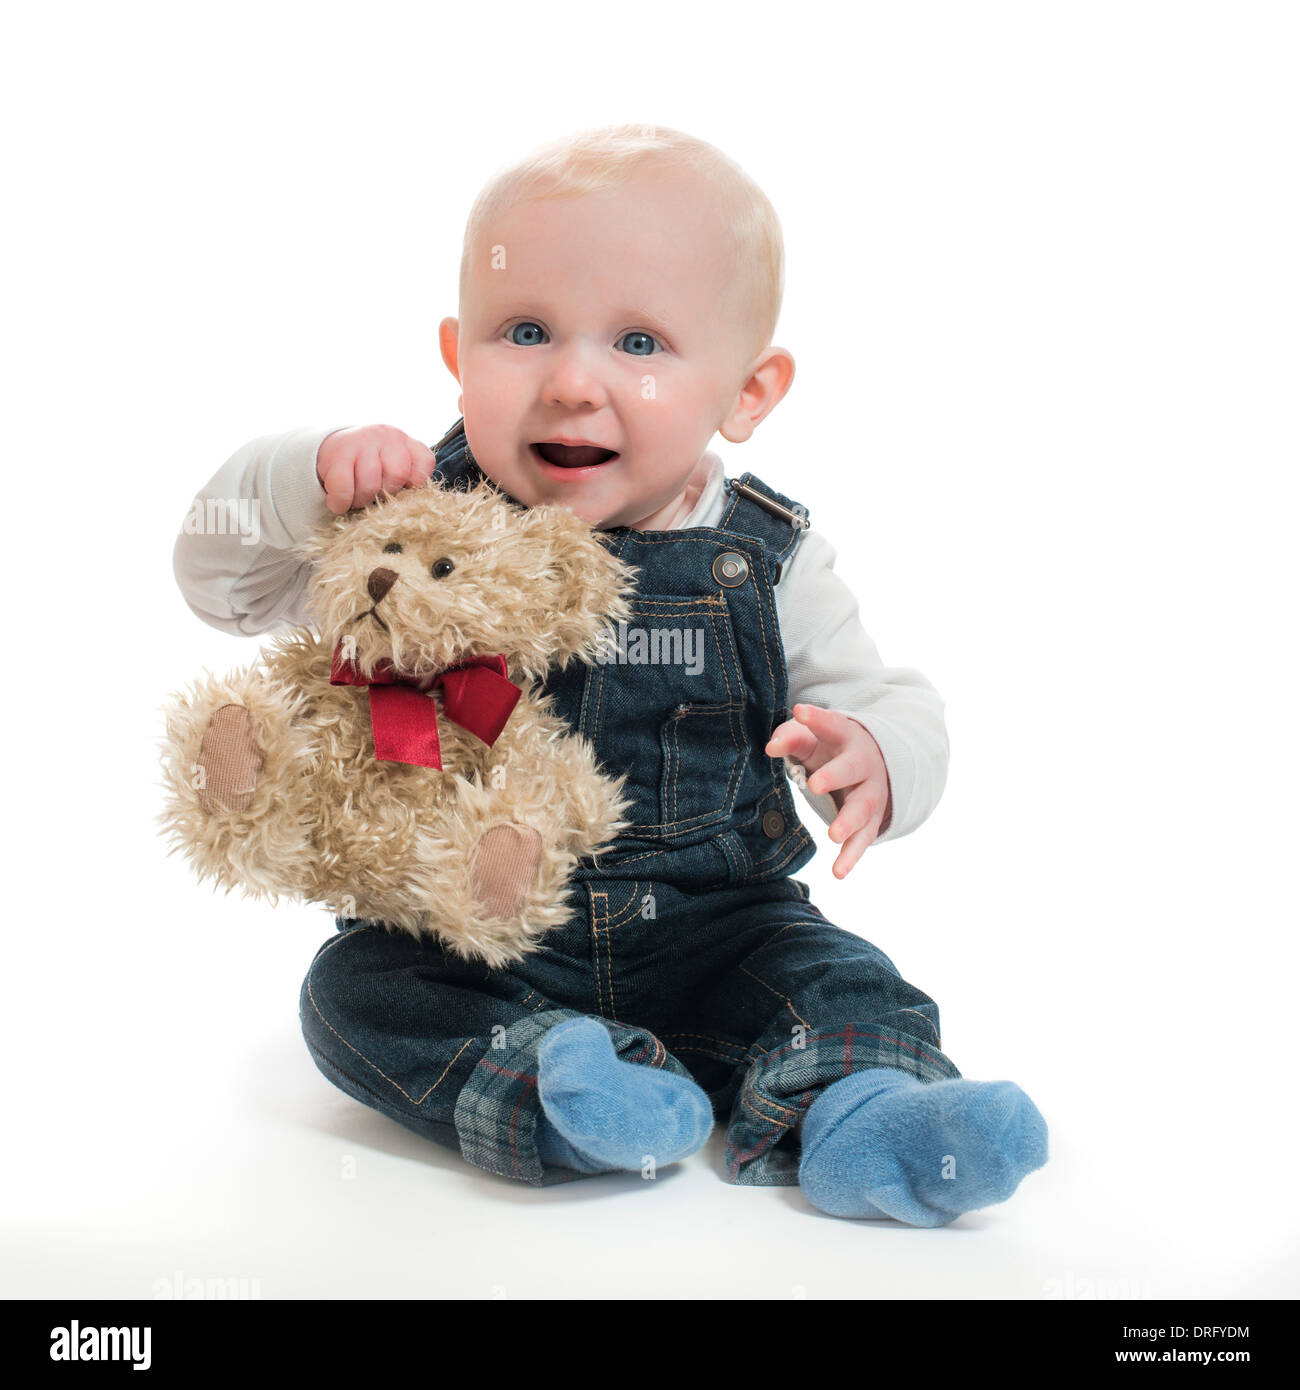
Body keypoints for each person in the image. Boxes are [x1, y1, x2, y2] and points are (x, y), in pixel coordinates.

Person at [172, 123, 1047, 1225]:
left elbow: (885, 695)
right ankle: (562, 1088)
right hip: (471, 938)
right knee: (354, 996)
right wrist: (301, 472)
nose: (574, 382)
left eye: (640, 343)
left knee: (838, 979)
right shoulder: (406, 523)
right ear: (456, 355)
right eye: (525, 331)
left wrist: (874, 750)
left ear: (748, 389)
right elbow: (218, 581)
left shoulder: (764, 559)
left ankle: (869, 1109)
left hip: (720, 927)